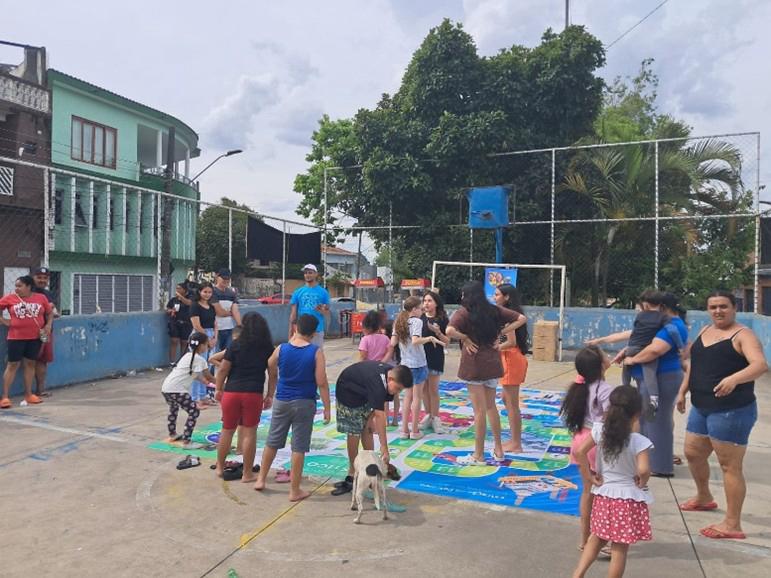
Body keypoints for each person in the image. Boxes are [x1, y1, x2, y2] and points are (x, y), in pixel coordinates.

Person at [675, 291, 767, 540]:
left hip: (732, 410)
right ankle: (704, 497)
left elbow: (759, 364)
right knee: (693, 453)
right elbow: (695, 364)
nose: (718, 311)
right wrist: (683, 391)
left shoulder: (743, 335)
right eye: (713, 307)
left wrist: (734, 379)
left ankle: (732, 524)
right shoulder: (705, 330)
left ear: (734, 308)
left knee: (729, 466)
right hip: (701, 406)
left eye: (723, 306)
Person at [572, 385, 653, 578]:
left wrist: (589, 476)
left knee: (596, 538)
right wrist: (642, 481)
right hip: (626, 500)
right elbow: (644, 469)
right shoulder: (639, 441)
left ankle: (578, 574)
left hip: (604, 496)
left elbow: (580, 452)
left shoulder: (600, 431)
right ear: (637, 414)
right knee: (619, 548)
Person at [446, 281, 525, 465]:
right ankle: (498, 450)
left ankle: (478, 455)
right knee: (491, 407)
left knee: (479, 411)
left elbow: (449, 331)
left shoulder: (463, 312)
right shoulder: (494, 310)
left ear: (467, 296)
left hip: (474, 366)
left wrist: (465, 337)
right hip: (493, 365)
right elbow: (521, 318)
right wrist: (501, 332)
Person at [254, 314, 331, 501]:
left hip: (282, 400)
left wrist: (274, 381)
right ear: (313, 333)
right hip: (304, 402)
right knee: (299, 446)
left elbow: (270, 364)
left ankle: (261, 479)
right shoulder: (315, 352)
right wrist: (327, 407)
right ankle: (294, 490)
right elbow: (321, 381)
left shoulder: (282, 348)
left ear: (296, 328)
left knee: (272, 441)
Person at [622, 292, 689, 477]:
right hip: (654, 377)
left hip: (662, 378)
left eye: (648, 307)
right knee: (647, 420)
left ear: (662, 307)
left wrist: (632, 360)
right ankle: (648, 462)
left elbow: (654, 350)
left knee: (657, 422)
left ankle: (661, 466)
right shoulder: (666, 324)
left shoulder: (673, 326)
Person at [587, 290, 682, 419]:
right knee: (650, 375)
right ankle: (654, 400)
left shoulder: (640, 317)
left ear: (646, 305)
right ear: (661, 305)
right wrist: (680, 346)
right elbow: (672, 331)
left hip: (633, 347)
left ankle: (625, 391)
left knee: (626, 369)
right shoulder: (663, 318)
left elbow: (633, 333)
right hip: (646, 349)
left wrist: (623, 350)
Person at [329, 360, 413, 496]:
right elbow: (380, 415)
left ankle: (370, 469)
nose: (397, 392)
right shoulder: (378, 383)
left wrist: (369, 419)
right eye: (398, 388)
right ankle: (352, 474)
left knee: (367, 429)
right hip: (347, 393)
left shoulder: (390, 375)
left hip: (364, 393)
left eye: (400, 390)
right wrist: (384, 447)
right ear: (390, 379)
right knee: (354, 432)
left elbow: (379, 405)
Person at [559, 346, 614, 553]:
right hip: (595, 443)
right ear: (601, 366)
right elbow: (610, 421)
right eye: (605, 355)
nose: (608, 357)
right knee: (605, 493)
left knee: (588, 491)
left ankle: (585, 540)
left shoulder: (580, 385)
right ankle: (602, 540)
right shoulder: (605, 390)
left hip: (580, 440)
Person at [213, 311, 275, 483]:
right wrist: (270, 394)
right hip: (253, 393)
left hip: (232, 392)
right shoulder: (267, 348)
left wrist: (218, 388)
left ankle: (219, 467)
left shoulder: (236, 344)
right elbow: (273, 373)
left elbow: (223, 369)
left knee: (227, 430)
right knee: (249, 433)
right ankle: (247, 473)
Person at [392, 296, 444, 440]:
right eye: (420, 308)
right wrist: (429, 338)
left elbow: (393, 342)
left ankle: (404, 430)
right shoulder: (417, 321)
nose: (422, 311)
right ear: (414, 309)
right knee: (417, 397)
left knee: (407, 397)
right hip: (418, 364)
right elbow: (415, 340)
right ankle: (414, 430)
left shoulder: (399, 321)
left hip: (404, 363)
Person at [1, 275, 53, 408]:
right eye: (16, 286)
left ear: (29, 286)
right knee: (13, 365)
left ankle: (29, 394)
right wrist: (4, 320)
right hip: (16, 338)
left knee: (30, 364)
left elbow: (49, 312)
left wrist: (48, 325)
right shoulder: (10, 298)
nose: (16, 289)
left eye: (20, 286)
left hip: (34, 338)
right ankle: (5, 397)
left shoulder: (41, 298)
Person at [160, 332, 214, 448]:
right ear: (201, 346)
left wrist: (203, 381)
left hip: (166, 388)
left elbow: (191, 373)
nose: (207, 346)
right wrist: (221, 384)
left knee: (173, 408)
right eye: (206, 344)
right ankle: (187, 441)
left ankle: (172, 434)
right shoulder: (200, 360)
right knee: (194, 411)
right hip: (177, 390)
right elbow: (209, 376)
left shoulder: (187, 356)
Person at [493, 284, 529, 451]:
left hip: (511, 359)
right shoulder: (510, 314)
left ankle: (516, 443)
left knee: (512, 404)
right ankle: (514, 439)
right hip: (510, 358)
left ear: (506, 297)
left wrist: (493, 348)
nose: (494, 297)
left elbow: (511, 342)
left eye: (497, 295)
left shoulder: (508, 316)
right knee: (506, 400)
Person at [420, 290, 450, 434]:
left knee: (433, 389)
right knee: (423, 389)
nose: (426, 303)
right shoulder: (420, 318)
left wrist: (438, 332)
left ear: (436, 303)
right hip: (420, 357)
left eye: (429, 301)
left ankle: (435, 417)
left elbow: (447, 341)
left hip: (435, 357)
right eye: (425, 301)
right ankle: (428, 415)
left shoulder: (442, 319)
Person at [31, 266, 59, 397]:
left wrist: (52, 316)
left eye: (45, 278)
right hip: (30, 332)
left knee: (43, 360)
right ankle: (28, 393)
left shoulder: (48, 294)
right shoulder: (27, 291)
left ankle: (40, 390)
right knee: (29, 360)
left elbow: (52, 311)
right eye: (39, 277)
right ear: (33, 278)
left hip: (45, 332)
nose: (42, 280)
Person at [189, 282, 218, 406]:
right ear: (200, 292)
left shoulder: (211, 307)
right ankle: (194, 398)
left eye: (209, 292)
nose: (207, 294)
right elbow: (196, 325)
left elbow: (215, 323)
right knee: (197, 369)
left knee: (206, 368)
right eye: (205, 292)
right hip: (199, 336)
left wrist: (215, 337)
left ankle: (203, 395)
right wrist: (207, 339)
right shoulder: (195, 306)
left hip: (211, 335)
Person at [288, 264, 330, 348]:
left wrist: (322, 310)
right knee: (301, 353)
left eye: (310, 272)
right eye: (306, 273)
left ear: (316, 274)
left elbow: (327, 312)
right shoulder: (298, 292)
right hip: (301, 330)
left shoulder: (323, 292)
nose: (307, 275)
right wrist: (290, 332)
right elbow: (293, 314)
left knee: (316, 353)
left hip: (317, 330)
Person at [211, 269, 242, 352]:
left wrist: (240, 325)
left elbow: (236, 311)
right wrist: (231, 313)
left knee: (228, 353)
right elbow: (219, 312)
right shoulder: (212, 292)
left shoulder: (231, 293)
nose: (226, 280)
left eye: (228, 279)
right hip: (215, 329)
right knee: (215, 353)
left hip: (229, 328)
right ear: (217, 277)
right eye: (223, 278)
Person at [166, 282, 193, 366]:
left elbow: (189, 303)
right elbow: (168, 308)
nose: (177, 290)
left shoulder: (190, 298)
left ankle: (182, 362)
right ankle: (172, 362)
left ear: (185, 290)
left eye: (179, 288)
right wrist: (171, 311)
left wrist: (180, 297)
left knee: (184, 342)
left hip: (186, 323)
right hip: (175, 322)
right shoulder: (174, 300)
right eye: (177, 288)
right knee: (174, 340)